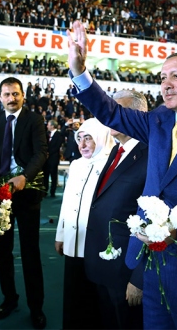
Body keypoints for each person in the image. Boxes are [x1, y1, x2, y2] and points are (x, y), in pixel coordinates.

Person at [67, 20, 177, 329]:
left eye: (176, 76)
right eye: (163, 77)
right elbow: (111, 112)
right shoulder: (158, 119)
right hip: (150, 262)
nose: (166, 84)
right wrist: (79, 70)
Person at [0, 76, 48, 328]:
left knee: (30, 252)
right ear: (0, 97)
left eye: (15, 93)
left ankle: (36, 307)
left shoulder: (34, 120)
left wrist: (25, 177)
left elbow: (41, 152)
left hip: (27, 193)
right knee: (2, 251)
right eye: (7, 94)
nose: (11, 98)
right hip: (0, 196)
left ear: (23, 95)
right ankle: (9, 299)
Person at [83, 90, 149, 329]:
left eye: (117, 110)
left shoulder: (151, 154)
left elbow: (153, 220)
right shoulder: (116, 150)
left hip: (125, 271)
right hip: (102, 263)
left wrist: (138, 277)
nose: (108, 115)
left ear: (138, 115)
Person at [55, 118, 115, 328]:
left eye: (88, 138)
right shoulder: (76, 164)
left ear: (101, 137)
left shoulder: (111, 164)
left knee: (93, 300)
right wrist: (60, 235)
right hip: (73, 239)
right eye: (79, 138)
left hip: (96, 244)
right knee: (73, 293)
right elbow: (67, 201)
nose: (82, 144)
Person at [44, 119, 64, 197]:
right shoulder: (46, 134)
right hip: (45, 159)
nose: (47, 126)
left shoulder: (59, 135)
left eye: (48, 125)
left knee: (53, 176)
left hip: (53, 158)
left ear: (52, 126)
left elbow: (57, 146)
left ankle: (52, 192)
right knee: (45, 176)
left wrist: (48, 153)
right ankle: (44, 191)